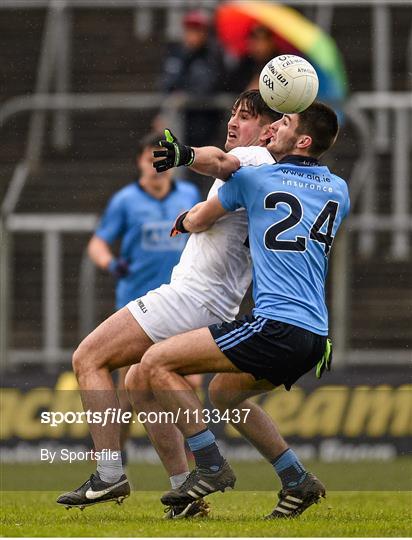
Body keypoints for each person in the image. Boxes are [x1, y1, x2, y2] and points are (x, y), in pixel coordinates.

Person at [56, 91, 280, 517]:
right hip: (206, 300)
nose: (233, 122)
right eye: (232, 113)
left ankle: (108, 473)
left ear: (269, 133)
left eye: (246, 117)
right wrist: (194, 215)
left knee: (88, 357)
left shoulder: (253, 160)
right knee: (140, 382)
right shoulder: (262, 169)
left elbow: (218, 161)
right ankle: (184, 496)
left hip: (191, 299)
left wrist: (185, 153)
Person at [125, 102, 350, 519]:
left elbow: (215, 182)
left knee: (155, 363)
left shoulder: (256, 178)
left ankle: (210, 465)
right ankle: (297, 480)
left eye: (284, 123)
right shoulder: (339, 188)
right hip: (316, 335)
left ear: (302, 140)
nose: (274, 128)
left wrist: (187, 169)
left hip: (275, 325)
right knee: (225, 394)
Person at [86, 132, 200, 462]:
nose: (156, 166)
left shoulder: (190, 193)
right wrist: (111, 263)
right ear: (139, 161)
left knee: (188, 381)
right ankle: (112, 456)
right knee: (129, 392)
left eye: (162, 159)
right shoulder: (125, 201)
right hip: (137, 308)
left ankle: (194, 456)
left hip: (181, 304)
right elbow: (97, 243)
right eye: (150, 158)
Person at [157, 9, 226, 148]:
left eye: (197, 30)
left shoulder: (213, 56)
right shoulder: (177, 54)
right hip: (179, 119)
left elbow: (207, 87)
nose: (193, 35)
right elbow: (166, 83)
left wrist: (183, 93)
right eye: (189, 30)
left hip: (204, 121)